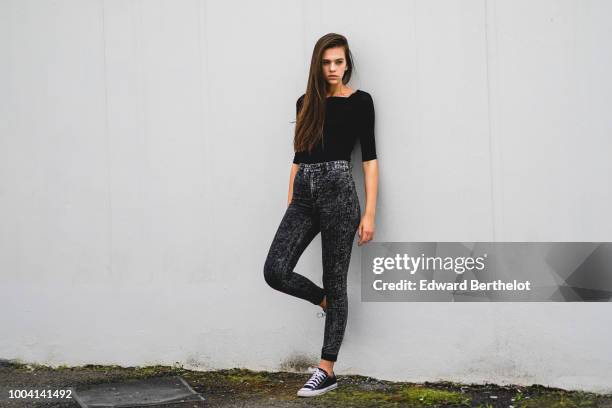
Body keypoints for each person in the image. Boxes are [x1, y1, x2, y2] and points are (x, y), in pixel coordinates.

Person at [263, 32, 379, 398]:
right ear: (318, 64)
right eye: (326, 62)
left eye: (339, 62)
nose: (332, 69)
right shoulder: (305, 102)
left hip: (340, 193)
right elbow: (298, 158)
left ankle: (326, 370)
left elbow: (370, 160)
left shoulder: (361, 102)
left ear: (347, 64)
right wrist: (291, 202)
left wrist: (369, 213)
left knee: (336, 277)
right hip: (304, 195)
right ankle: (326, 301)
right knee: (275, 270)